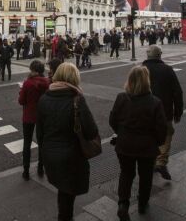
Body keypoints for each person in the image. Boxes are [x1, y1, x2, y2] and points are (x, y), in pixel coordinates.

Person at [36, 63, 99, 221]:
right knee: (67, 196)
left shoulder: (44, 98)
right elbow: (91, 131)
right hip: (71, 155)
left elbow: (40, 133)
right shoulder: (77, 99)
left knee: (62, 190)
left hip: (50, 153)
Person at [109, 66, 167, 219]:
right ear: (147, 81)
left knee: (126, 174)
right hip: (147, 147)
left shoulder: (121, 97)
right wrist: (157, 142)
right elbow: (162, 129)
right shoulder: (155, 102)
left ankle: (123, 204)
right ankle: (142, 203)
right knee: (146, 175)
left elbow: (112, 120)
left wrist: (121, 132)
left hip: (125, 144)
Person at [141, 45, 183, 180]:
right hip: (165, 110)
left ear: (148, 56)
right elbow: (177, 92)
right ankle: (161, 161)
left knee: (148, 135)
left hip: (145, 111)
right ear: (160, 55)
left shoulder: (140, 70)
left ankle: (151, 162)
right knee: (167, 134)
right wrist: (178, 111)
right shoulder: (167, 70)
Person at [18, 60, 50, 180]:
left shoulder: (28, 83)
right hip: (42, 116)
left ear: (32, 70)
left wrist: (21, 91)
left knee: (27, 142)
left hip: (29, 115)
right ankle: (40, 168)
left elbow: (21, 101)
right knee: (42, 142)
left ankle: (26, 171)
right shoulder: (47, 82)